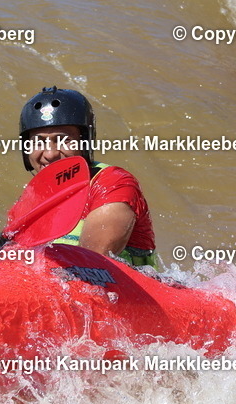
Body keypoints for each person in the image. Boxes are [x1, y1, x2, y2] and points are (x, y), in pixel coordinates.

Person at [12, 86, 159, 268]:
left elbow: (89, 265)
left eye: (63, 140)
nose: (49, 154)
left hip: (121, 293)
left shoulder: (113, 184)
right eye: (38, 142)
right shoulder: (32, 198)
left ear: (85, 142)